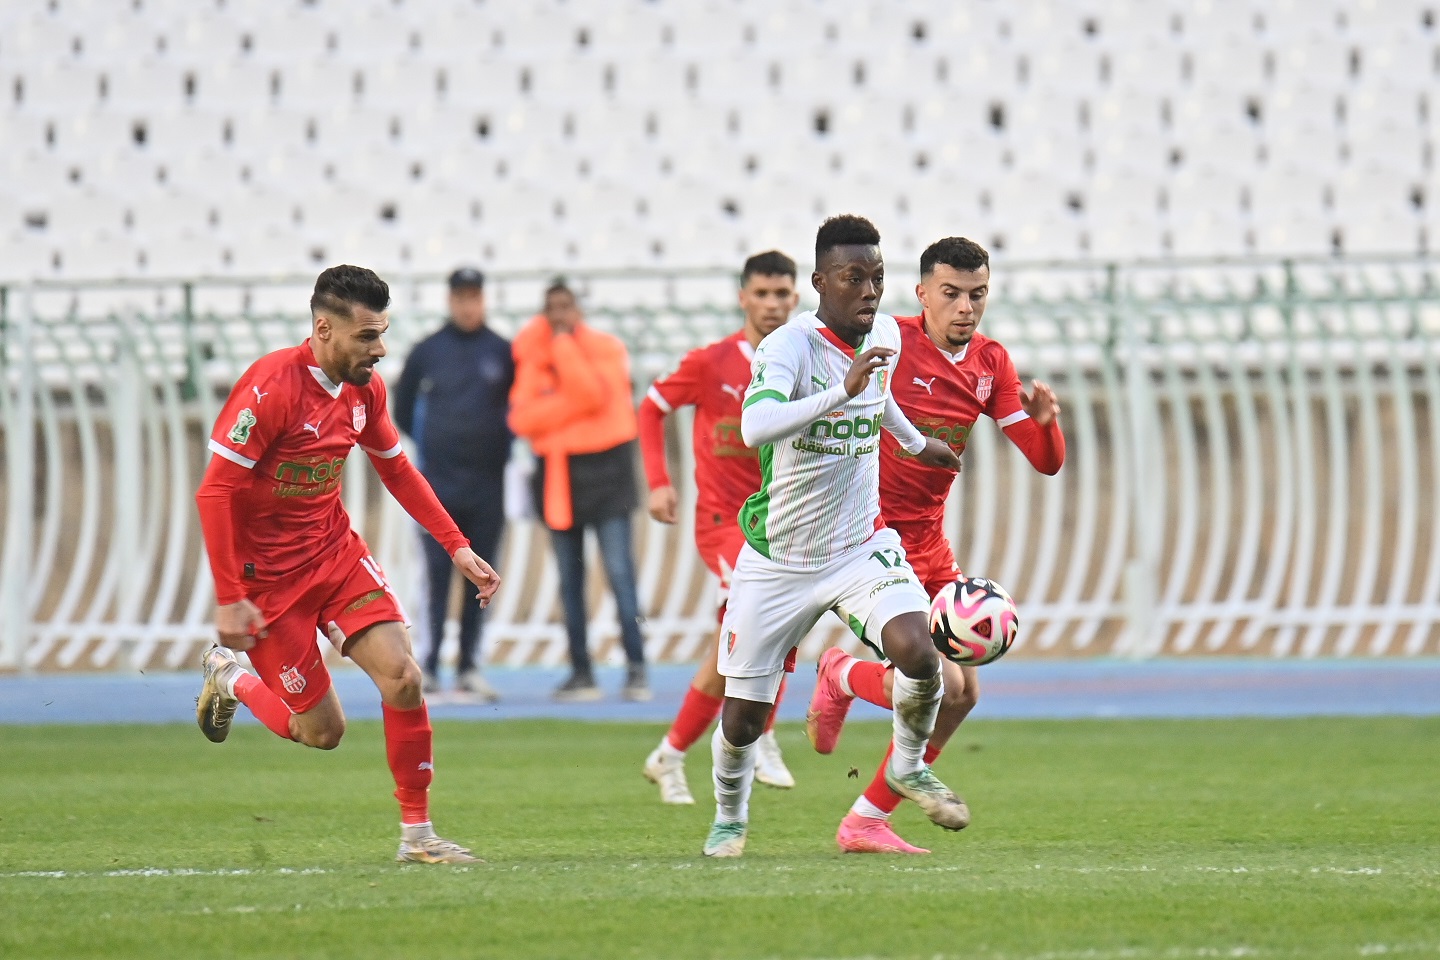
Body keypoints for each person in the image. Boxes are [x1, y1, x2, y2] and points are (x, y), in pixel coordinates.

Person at [193, 264, 500, 864]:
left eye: (383, 334)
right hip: (269, 585)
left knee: (403, 676)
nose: (380, 350)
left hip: (333, 556)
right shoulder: (271, 387)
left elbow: (397, 469)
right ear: (324, 329)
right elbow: (215, 492)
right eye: (367, 336)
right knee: (322, 733)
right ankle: (231, 677)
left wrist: (456, 545)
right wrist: (230, 595)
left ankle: (418, 837)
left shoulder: (366, 390)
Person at [702, 215, 965, 858]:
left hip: (858, 546)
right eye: (853, 278)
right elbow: (759, 424)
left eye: (878, 277)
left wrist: (913, 442)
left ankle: (906, 763)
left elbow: (878, 399)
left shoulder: (884, 338)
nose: (870, 290)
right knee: (742, 720)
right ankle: (730, 817)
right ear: (820, 282)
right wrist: (837, 394)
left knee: (920, 654)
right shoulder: (787, 348)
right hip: (780, 558)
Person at [806, 236, 1066, 854]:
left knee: (965, 692)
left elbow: (1044, 461)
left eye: (977, 294)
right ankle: (840, 673)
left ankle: (865, 820)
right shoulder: (888, 342)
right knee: (939, 681)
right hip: (865, 537)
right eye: (950, 294)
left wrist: (1048, 426)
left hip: (927, 542)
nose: (965, 307)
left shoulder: (991, 363)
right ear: (922, 294)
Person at [638, 251, 801, 804]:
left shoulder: (806, 362)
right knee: (758, 623)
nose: (773, 304)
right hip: (725, 524)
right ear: (743, 299)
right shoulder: (712, 364)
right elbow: (651, 407)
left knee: (733, 648)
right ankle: (765, 738)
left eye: (782, 294)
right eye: (762, 294)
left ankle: (670, 755)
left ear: (796, 298)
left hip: (781, 525)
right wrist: (659, 480)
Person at [509, 280, 650, 702]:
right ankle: (581, 672)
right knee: (570, 582)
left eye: (566, 306)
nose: (559, 314)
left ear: (578, 309)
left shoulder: (606, 347)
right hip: (559, 478)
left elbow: (594, 394)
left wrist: (565, 354)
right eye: (551, 307)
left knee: (621, 576)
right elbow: (523, 418)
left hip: (607, 473)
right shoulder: (533, 355)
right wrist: (575, 414)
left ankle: (637, 669)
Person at [394, 266, 514, 702]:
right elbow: (402, 408)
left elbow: (517, 409)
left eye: (475, 297)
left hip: (488, 484)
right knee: (437, 576)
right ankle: (430, 663)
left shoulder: (501, 350)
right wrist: (436, 446)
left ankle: (469, 666)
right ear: (450, 300)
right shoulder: (427, 350)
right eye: (461, 297)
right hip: (438, 485)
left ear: (484, 299)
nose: (469, 305)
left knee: (481, 576)